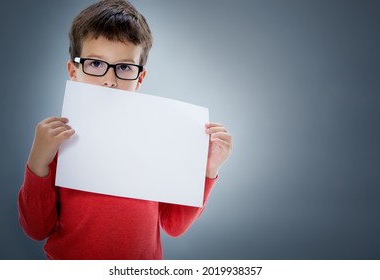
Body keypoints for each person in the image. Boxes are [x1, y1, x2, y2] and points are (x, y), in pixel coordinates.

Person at [18, 0, 232, 260]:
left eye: (124, 67)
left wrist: (208, 170)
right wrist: (37, 162)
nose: (110, 79)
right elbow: (36, 228)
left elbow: (173, 226)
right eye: (95, 64)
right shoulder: (56, 143)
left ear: (139, 78)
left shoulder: (158, 143)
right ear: (73, 71)